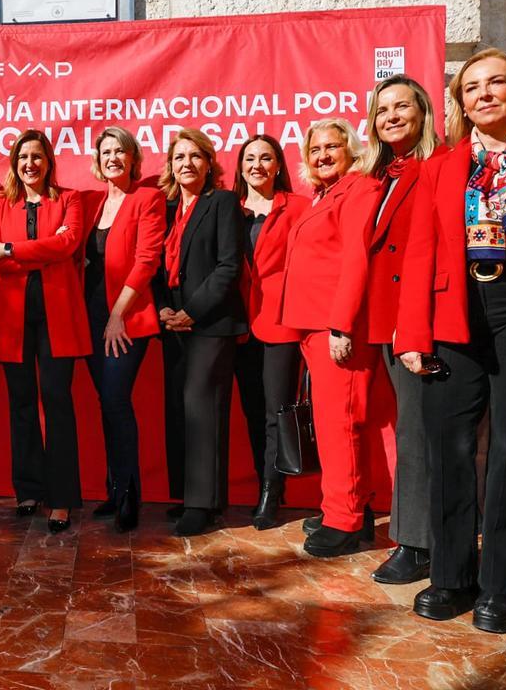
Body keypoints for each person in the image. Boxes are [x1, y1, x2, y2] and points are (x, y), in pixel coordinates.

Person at [395, 49, 506, 632]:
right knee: (448, 451)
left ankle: (499, 587)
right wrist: (413, 333)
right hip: (453, 314)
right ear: (459, 103)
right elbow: (418, 254)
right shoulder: (440, 166)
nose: (483, 94)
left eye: (496, 83)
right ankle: (450, 577)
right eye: (471, 88)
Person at [279, 119, 382, 558]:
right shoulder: (324, 194)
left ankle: (346, 521)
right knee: (330, 423)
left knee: (342, 423)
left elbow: (357, 257)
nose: (322, 155)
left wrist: (341, 324)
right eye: (314, 148)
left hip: (337, 328)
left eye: (331, 147)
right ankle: (338, 505)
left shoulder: (360, 188)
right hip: (313, 326)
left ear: (350, 149)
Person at [360, 75, 447, 585]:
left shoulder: (435, 166)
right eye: (381, 109)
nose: (390, 116)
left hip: (417, 323)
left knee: (418, 435)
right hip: (387, 322)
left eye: (401, 107)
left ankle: (416, 543)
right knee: (412, 430)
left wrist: (412, 328)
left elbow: (427, 254)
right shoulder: (384, 172)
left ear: (423, 112)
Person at [0, 129, 90, 533]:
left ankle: (61, 499)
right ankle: (28, 489)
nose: (30, 163)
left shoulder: (70, 199)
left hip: (58, 317)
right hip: (13, 318)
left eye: (38, 156)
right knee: (22, 402)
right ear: (14, 163)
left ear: (49, 162)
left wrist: (10, 249)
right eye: (23, 156)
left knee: (58, 401)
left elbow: (69, 244)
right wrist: (40, 250)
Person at [155, 128, 246, 537]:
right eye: (179, 157)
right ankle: (191, 496)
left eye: (195, 156)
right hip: (174, 323)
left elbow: (229, 266)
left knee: (203, 408)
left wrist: (190, 312)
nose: (186, 164)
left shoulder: (223, 203)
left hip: (211, 323)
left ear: (209, 163)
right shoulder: (169, 208)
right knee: (181, 407)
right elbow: (158, 266)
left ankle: (202, 504)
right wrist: (165, 308)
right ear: (170, 166)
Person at [79, 126, 165, 532]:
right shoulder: (96, 204)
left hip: (125, 319)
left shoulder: (146, 198)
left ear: (133, 158)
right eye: (106, 151)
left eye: (120, 151)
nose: (113, 157)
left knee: (115, 400)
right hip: (91, 318)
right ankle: (114, 488)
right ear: (98, 161)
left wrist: (117, 314)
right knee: (105, 403)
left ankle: (130, 495)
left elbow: (147, 261)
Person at [231, 134, 305, 530]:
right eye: (249, 159)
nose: (257, 165)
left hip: (280, 321)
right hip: (240, 324)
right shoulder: (229, 209)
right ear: (240, 167)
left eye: (265, 158)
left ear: (278, 165)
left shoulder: (298, 207)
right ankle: (265, 482)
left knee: (278, 411)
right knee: (252, 411)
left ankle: (271, 493)